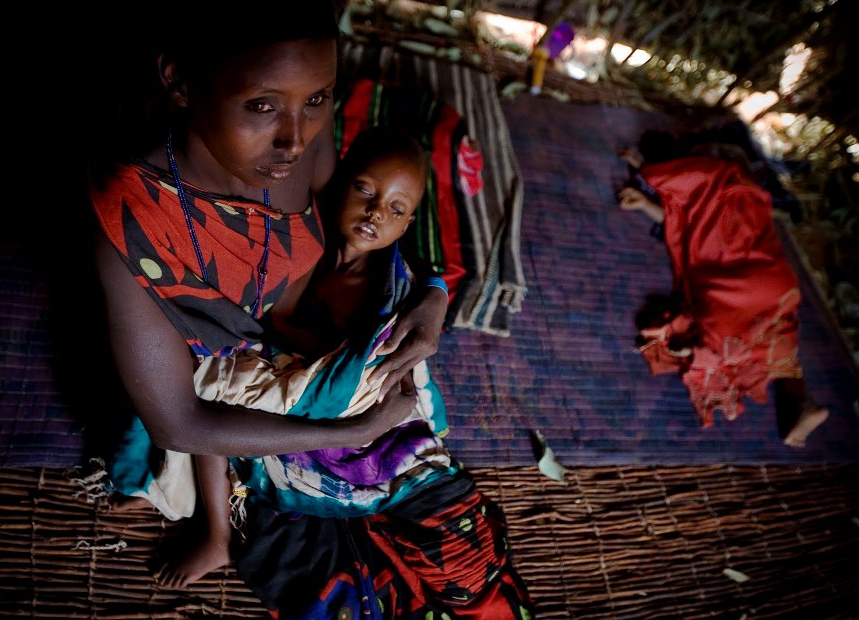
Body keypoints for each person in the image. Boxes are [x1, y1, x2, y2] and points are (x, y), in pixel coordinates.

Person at [87, 5, 533, 616]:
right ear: (181, 80)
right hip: (230, 398)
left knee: (465, 551)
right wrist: (352, 430)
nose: (296, 139)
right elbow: (179, 422)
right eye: (263, 105)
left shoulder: (301, 152)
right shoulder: (135, 222)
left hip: (310, 362)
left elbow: (365, 232)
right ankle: (218, 530)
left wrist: (432, 294)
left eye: (318, 99)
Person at [617, 129, 829, 448]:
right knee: (777, 333)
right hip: (776, 279)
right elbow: (684, 221)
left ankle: (704, 351)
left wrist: (644, 168)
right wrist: (646, 201)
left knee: (726, 329)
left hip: (735, 281)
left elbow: (677, 204)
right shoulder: (752, 193)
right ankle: (800, 398)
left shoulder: (708, 172)